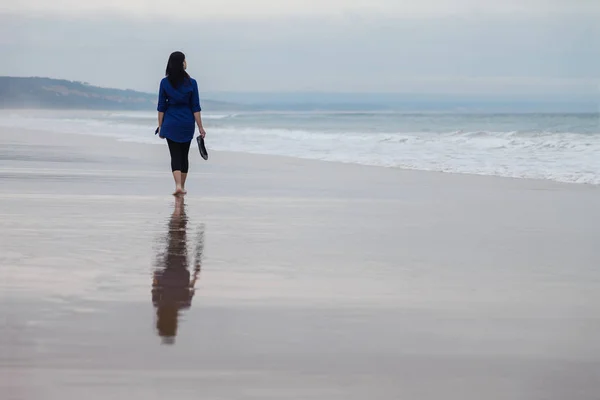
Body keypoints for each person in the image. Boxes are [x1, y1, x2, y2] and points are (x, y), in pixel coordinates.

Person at [152, 196, 204, 344]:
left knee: (179, 240)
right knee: (175, 239)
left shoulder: (183, 304)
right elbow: (155, 281)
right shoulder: (162, 303)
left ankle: (179, 210)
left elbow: (192, 283)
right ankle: (179, 210)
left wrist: (196, 271)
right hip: (174, 268)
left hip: (179, 268)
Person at [157, 51, 207, 196]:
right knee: (184, 155)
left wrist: (160, 126)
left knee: (175, 155)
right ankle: (182, 186)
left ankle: (178, 185)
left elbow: (161, 106)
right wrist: (200, 127)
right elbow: (195, 107)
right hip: (186, 123)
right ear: (182, 63)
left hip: (170, 122)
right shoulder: (192, 83)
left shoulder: (165, 82)